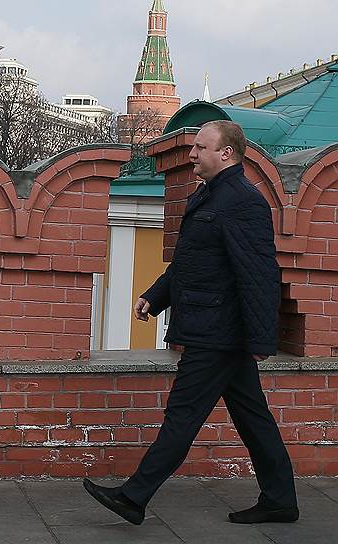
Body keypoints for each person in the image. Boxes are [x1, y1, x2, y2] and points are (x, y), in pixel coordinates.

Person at [83, 121, 297, 525]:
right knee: (253, 418)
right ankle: (280, 499)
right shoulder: (209, 194)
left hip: (217, 331)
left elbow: (258, 274)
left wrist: (260, 339)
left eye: (200, 147)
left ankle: (133, 496)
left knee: (183, 414)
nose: (192, 154)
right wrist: (155, 296)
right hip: (214, 327)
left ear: (226, 153)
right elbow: (190, 262)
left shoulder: (242, 201)